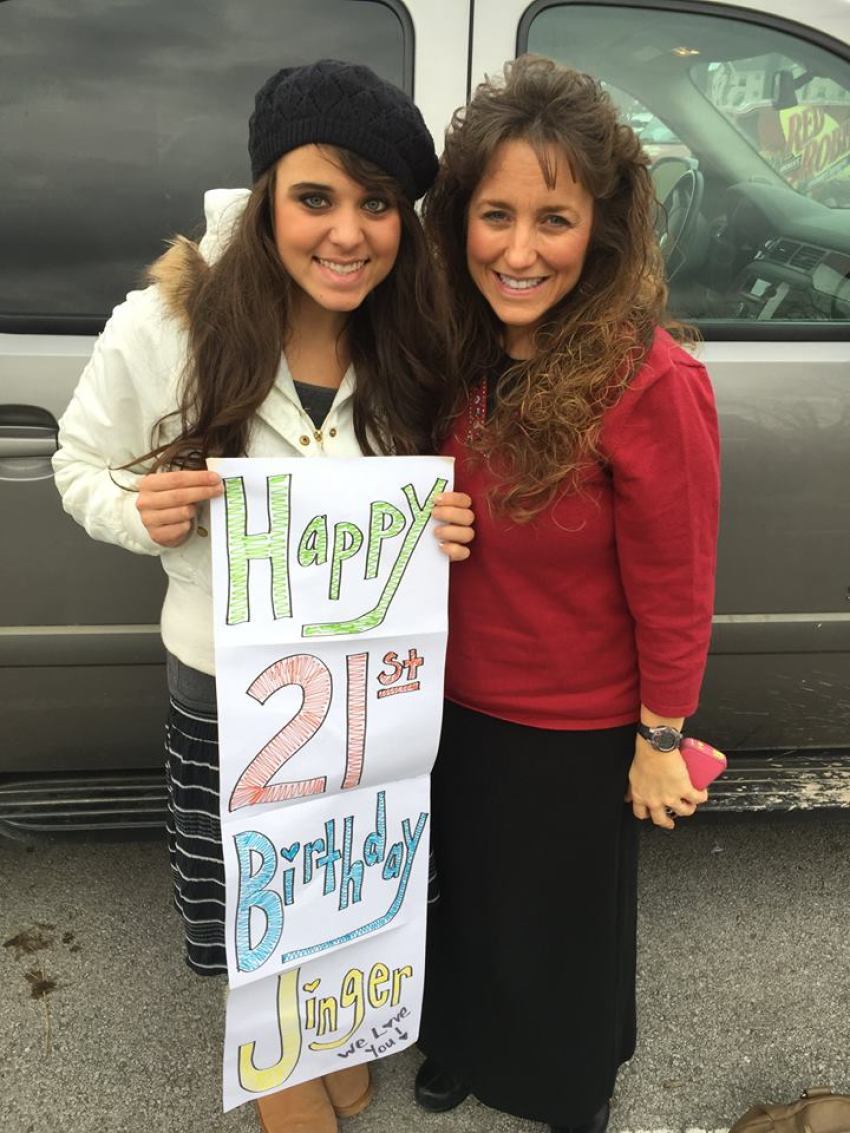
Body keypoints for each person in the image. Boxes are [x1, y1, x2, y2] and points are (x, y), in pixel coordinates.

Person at [52, 59, 474, 1133]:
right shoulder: (167, 324)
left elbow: (423, 490)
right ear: (266, 194)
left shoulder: (412, 326)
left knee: (350, 862)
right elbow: (79, 462)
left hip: (373, 683)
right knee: (263, 879)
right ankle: (281, 1064)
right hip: (233, 686)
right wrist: (133, 509)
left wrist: (445, 526)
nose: (348, 233)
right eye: (316, 198)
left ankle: (332, 1023)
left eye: (377, 204)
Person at [415, 55, 720, 1133]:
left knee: (560, 925)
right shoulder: (445, 348)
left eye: (554, 218)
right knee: (463, 898)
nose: (519, 248)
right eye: (495, 214)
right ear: (458, 219)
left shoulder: (648, 380)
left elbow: (677, 584)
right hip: (445, 698)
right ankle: (456, 1037)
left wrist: (660, 733)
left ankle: (564, 1083)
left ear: (603, 221)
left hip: (576, 720)